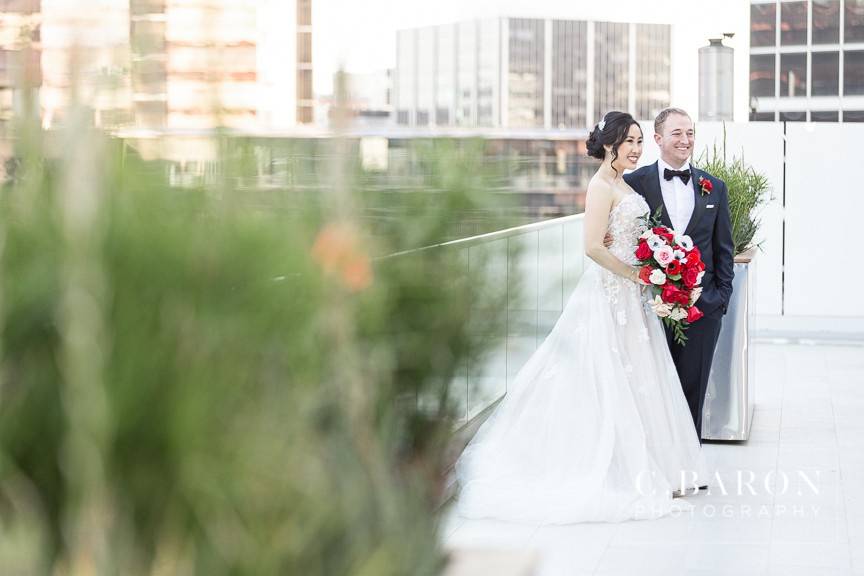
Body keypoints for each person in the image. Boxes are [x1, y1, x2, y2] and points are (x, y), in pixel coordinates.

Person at [454, 111, 707, 525]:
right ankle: (611, 467)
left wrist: (658, 260)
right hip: (611, 293)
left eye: (640, 141)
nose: (637, 149)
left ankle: (652, 465)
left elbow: (625, 235)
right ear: (610, 145)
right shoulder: (599, 185)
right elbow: (591, 246)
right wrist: (638, 274)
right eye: (630, 141)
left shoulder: (623, 183)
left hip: (634, 294)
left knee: (638, 376)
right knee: (606, 375)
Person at [623, 108, 734, 439]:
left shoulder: (714, 187)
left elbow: (723, 248)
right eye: (677, 133)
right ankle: (657, 469)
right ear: (658, 139)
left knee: (693, 391)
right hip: (649, 309)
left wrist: (719, 300)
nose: (686, 140)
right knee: (651, 391)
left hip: (703, 310)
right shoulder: (633, 183)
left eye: (690, 133)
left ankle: (690, 467)